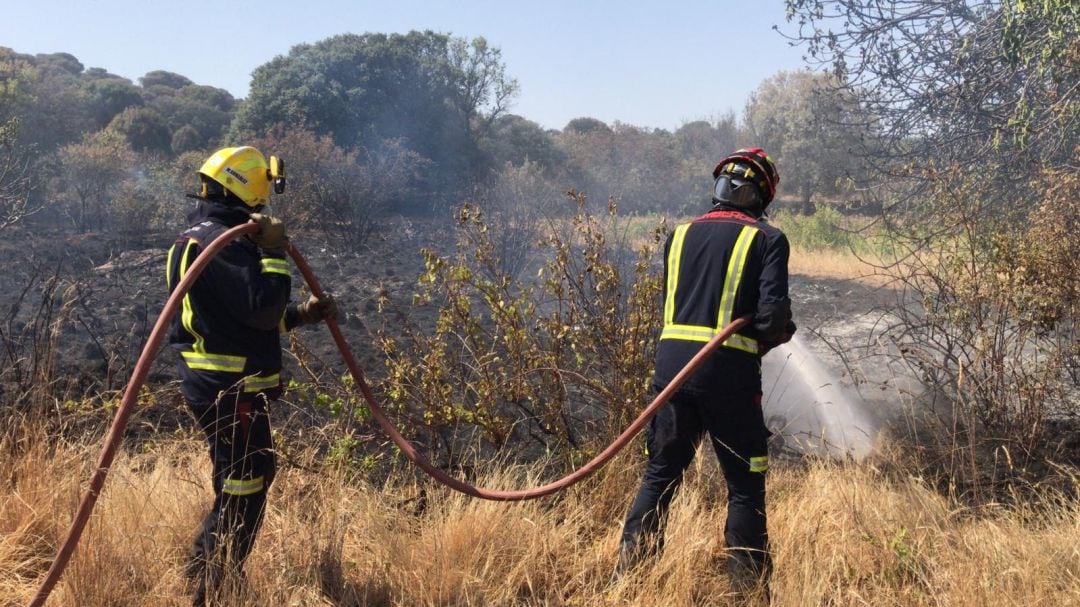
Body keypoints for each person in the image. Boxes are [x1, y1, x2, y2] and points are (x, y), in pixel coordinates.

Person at [616, 147, 795, 595]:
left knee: (660, 474)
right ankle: (747, 593)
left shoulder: (676, 236)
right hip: (729, 377)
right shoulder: (767, 239)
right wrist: (774, 334)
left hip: (671, 372)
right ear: (762, 196)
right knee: (745, 485)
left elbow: (675, 308)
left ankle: (630, 580)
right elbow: (772, 322)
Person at [166, 146, 337, 605]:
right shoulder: (220, 241)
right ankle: (215, 586)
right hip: (228, 389)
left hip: (229, 385)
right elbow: (261, 309)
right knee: (245, 482)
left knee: (246, 475)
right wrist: (276, 252)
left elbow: (234, 319)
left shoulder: (210, 236)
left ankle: (206, 569)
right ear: (250, 184)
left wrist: (300, 315)